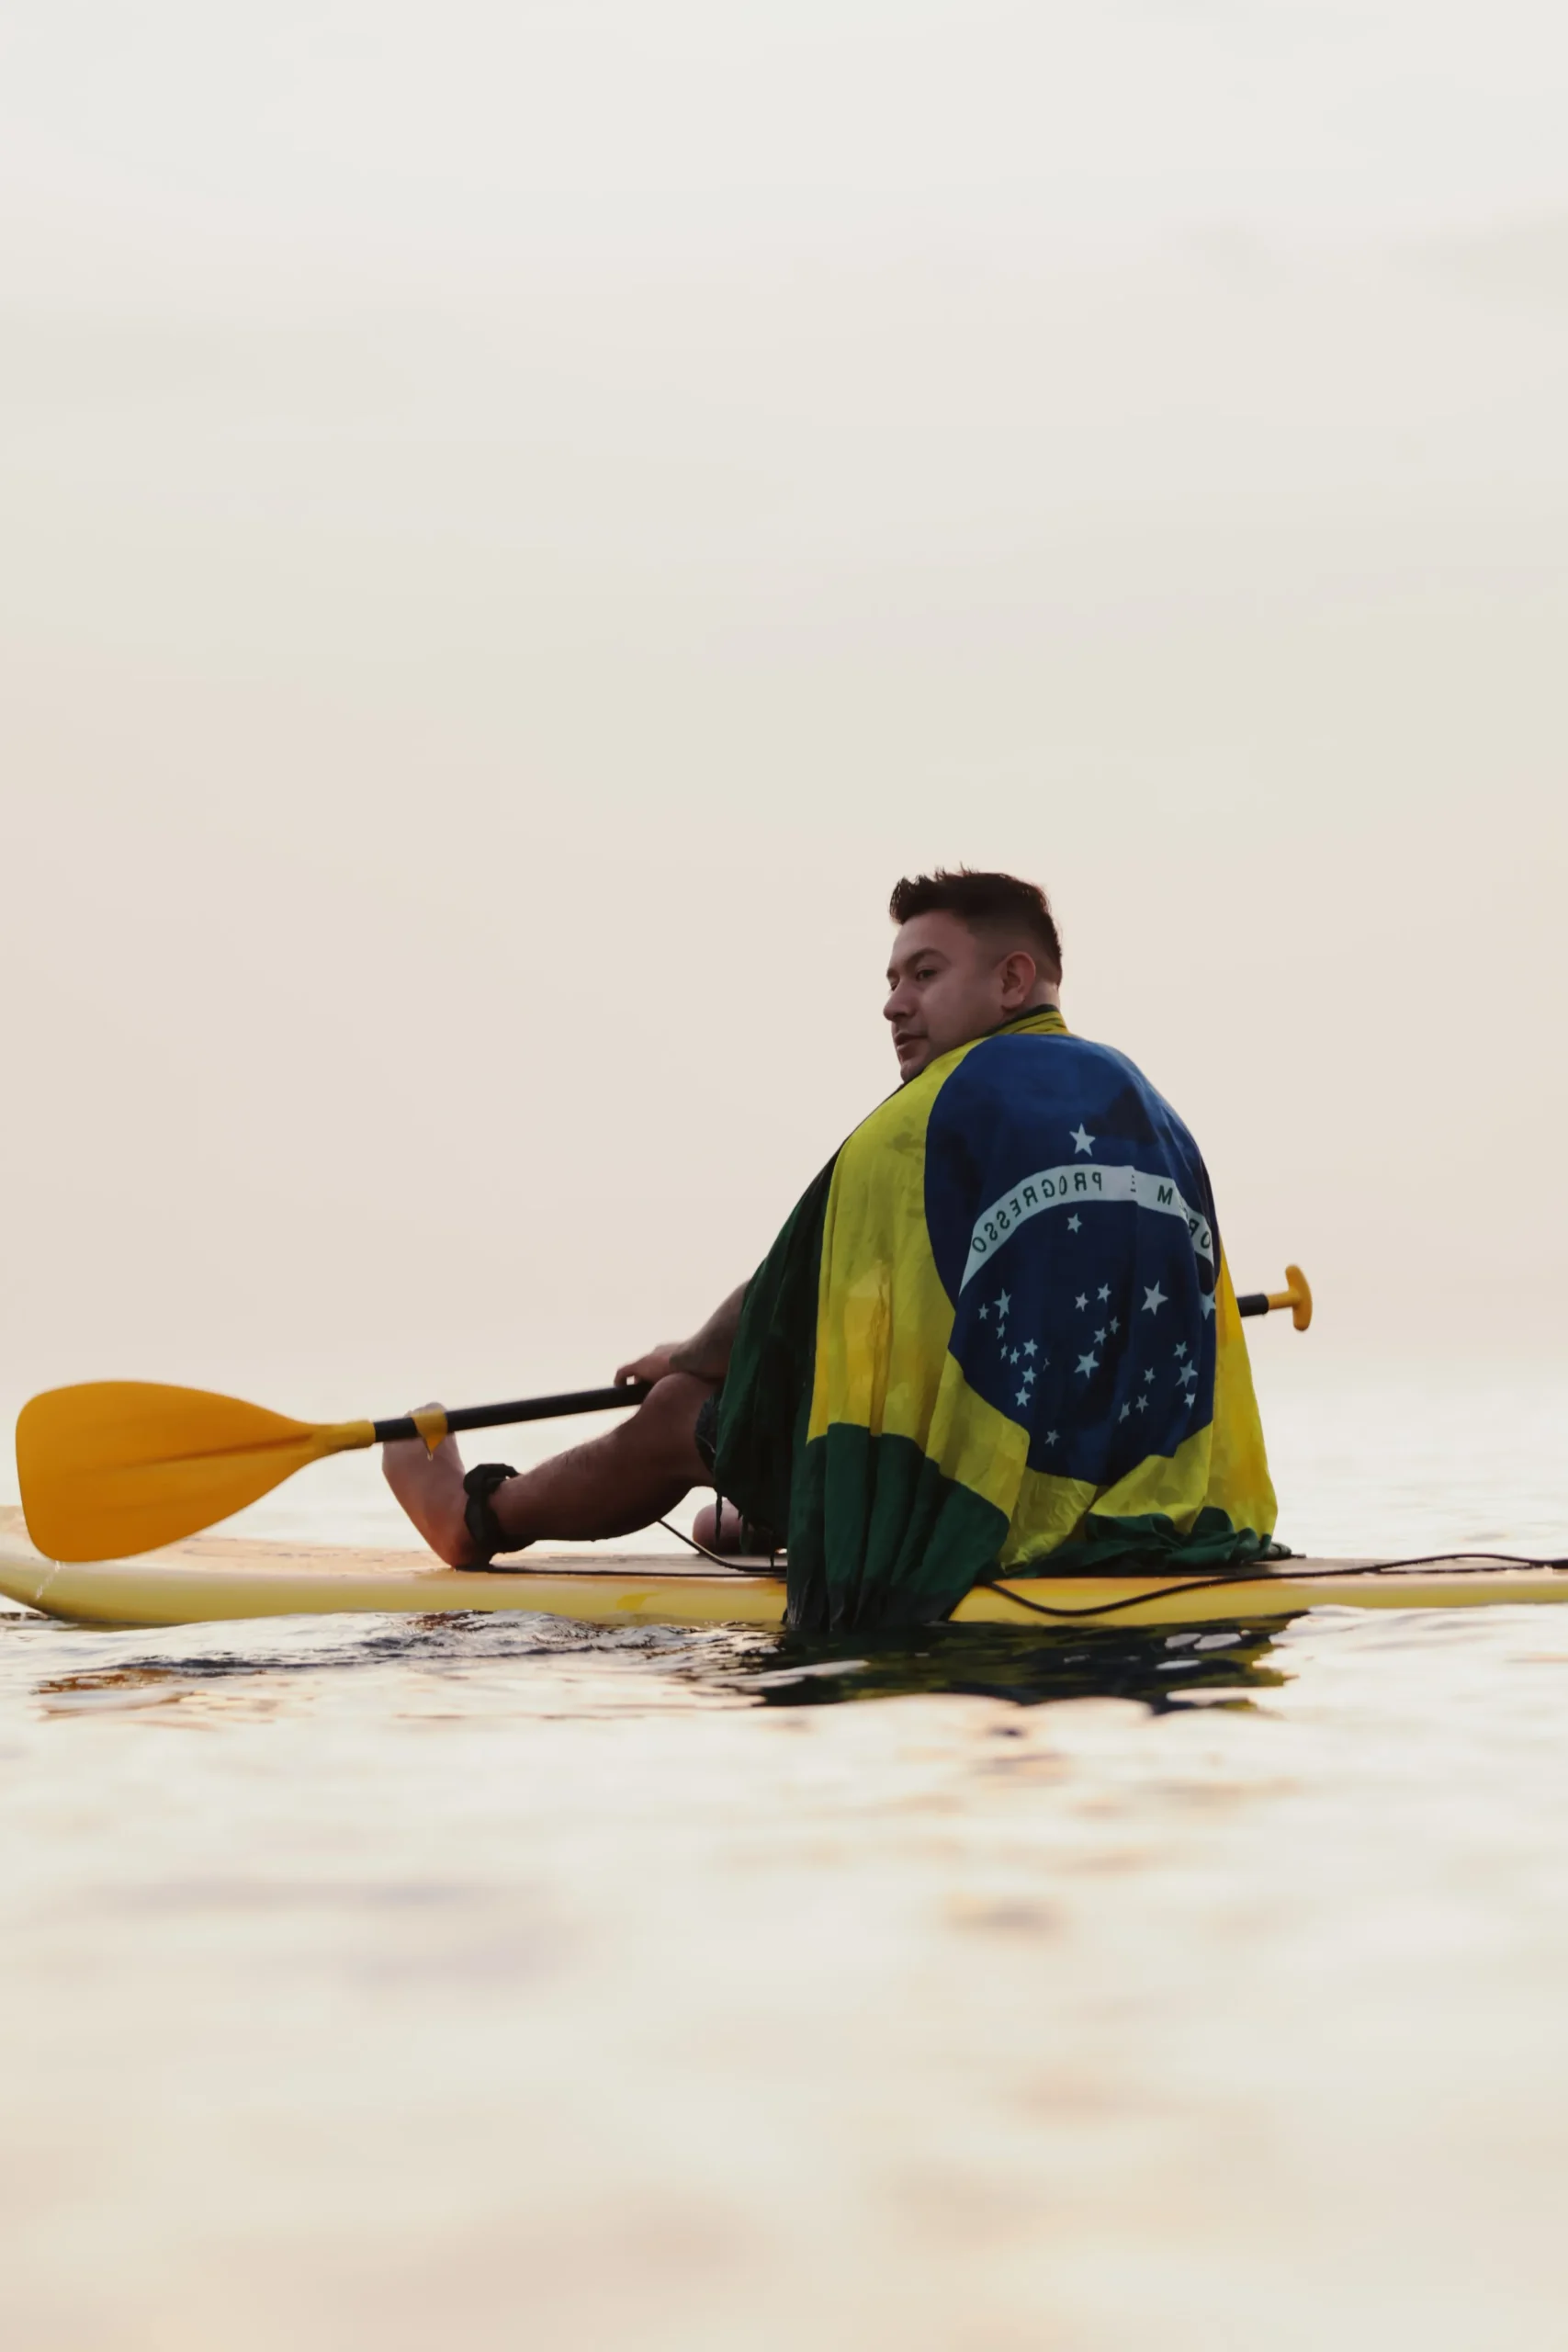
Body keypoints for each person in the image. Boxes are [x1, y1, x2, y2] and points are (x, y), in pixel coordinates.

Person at [383, 868, 1280, 1629]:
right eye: (892, 979)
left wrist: (690, 1360)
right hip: (1157, 1502)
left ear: (1013, 980)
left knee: (682, 1412)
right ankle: (775, 1518)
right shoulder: (1149, 1107)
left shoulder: (923, 1117)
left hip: (992, 1519)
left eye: (924, 973)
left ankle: (479, 1518)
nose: (894, 1004)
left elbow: (788, 1299)